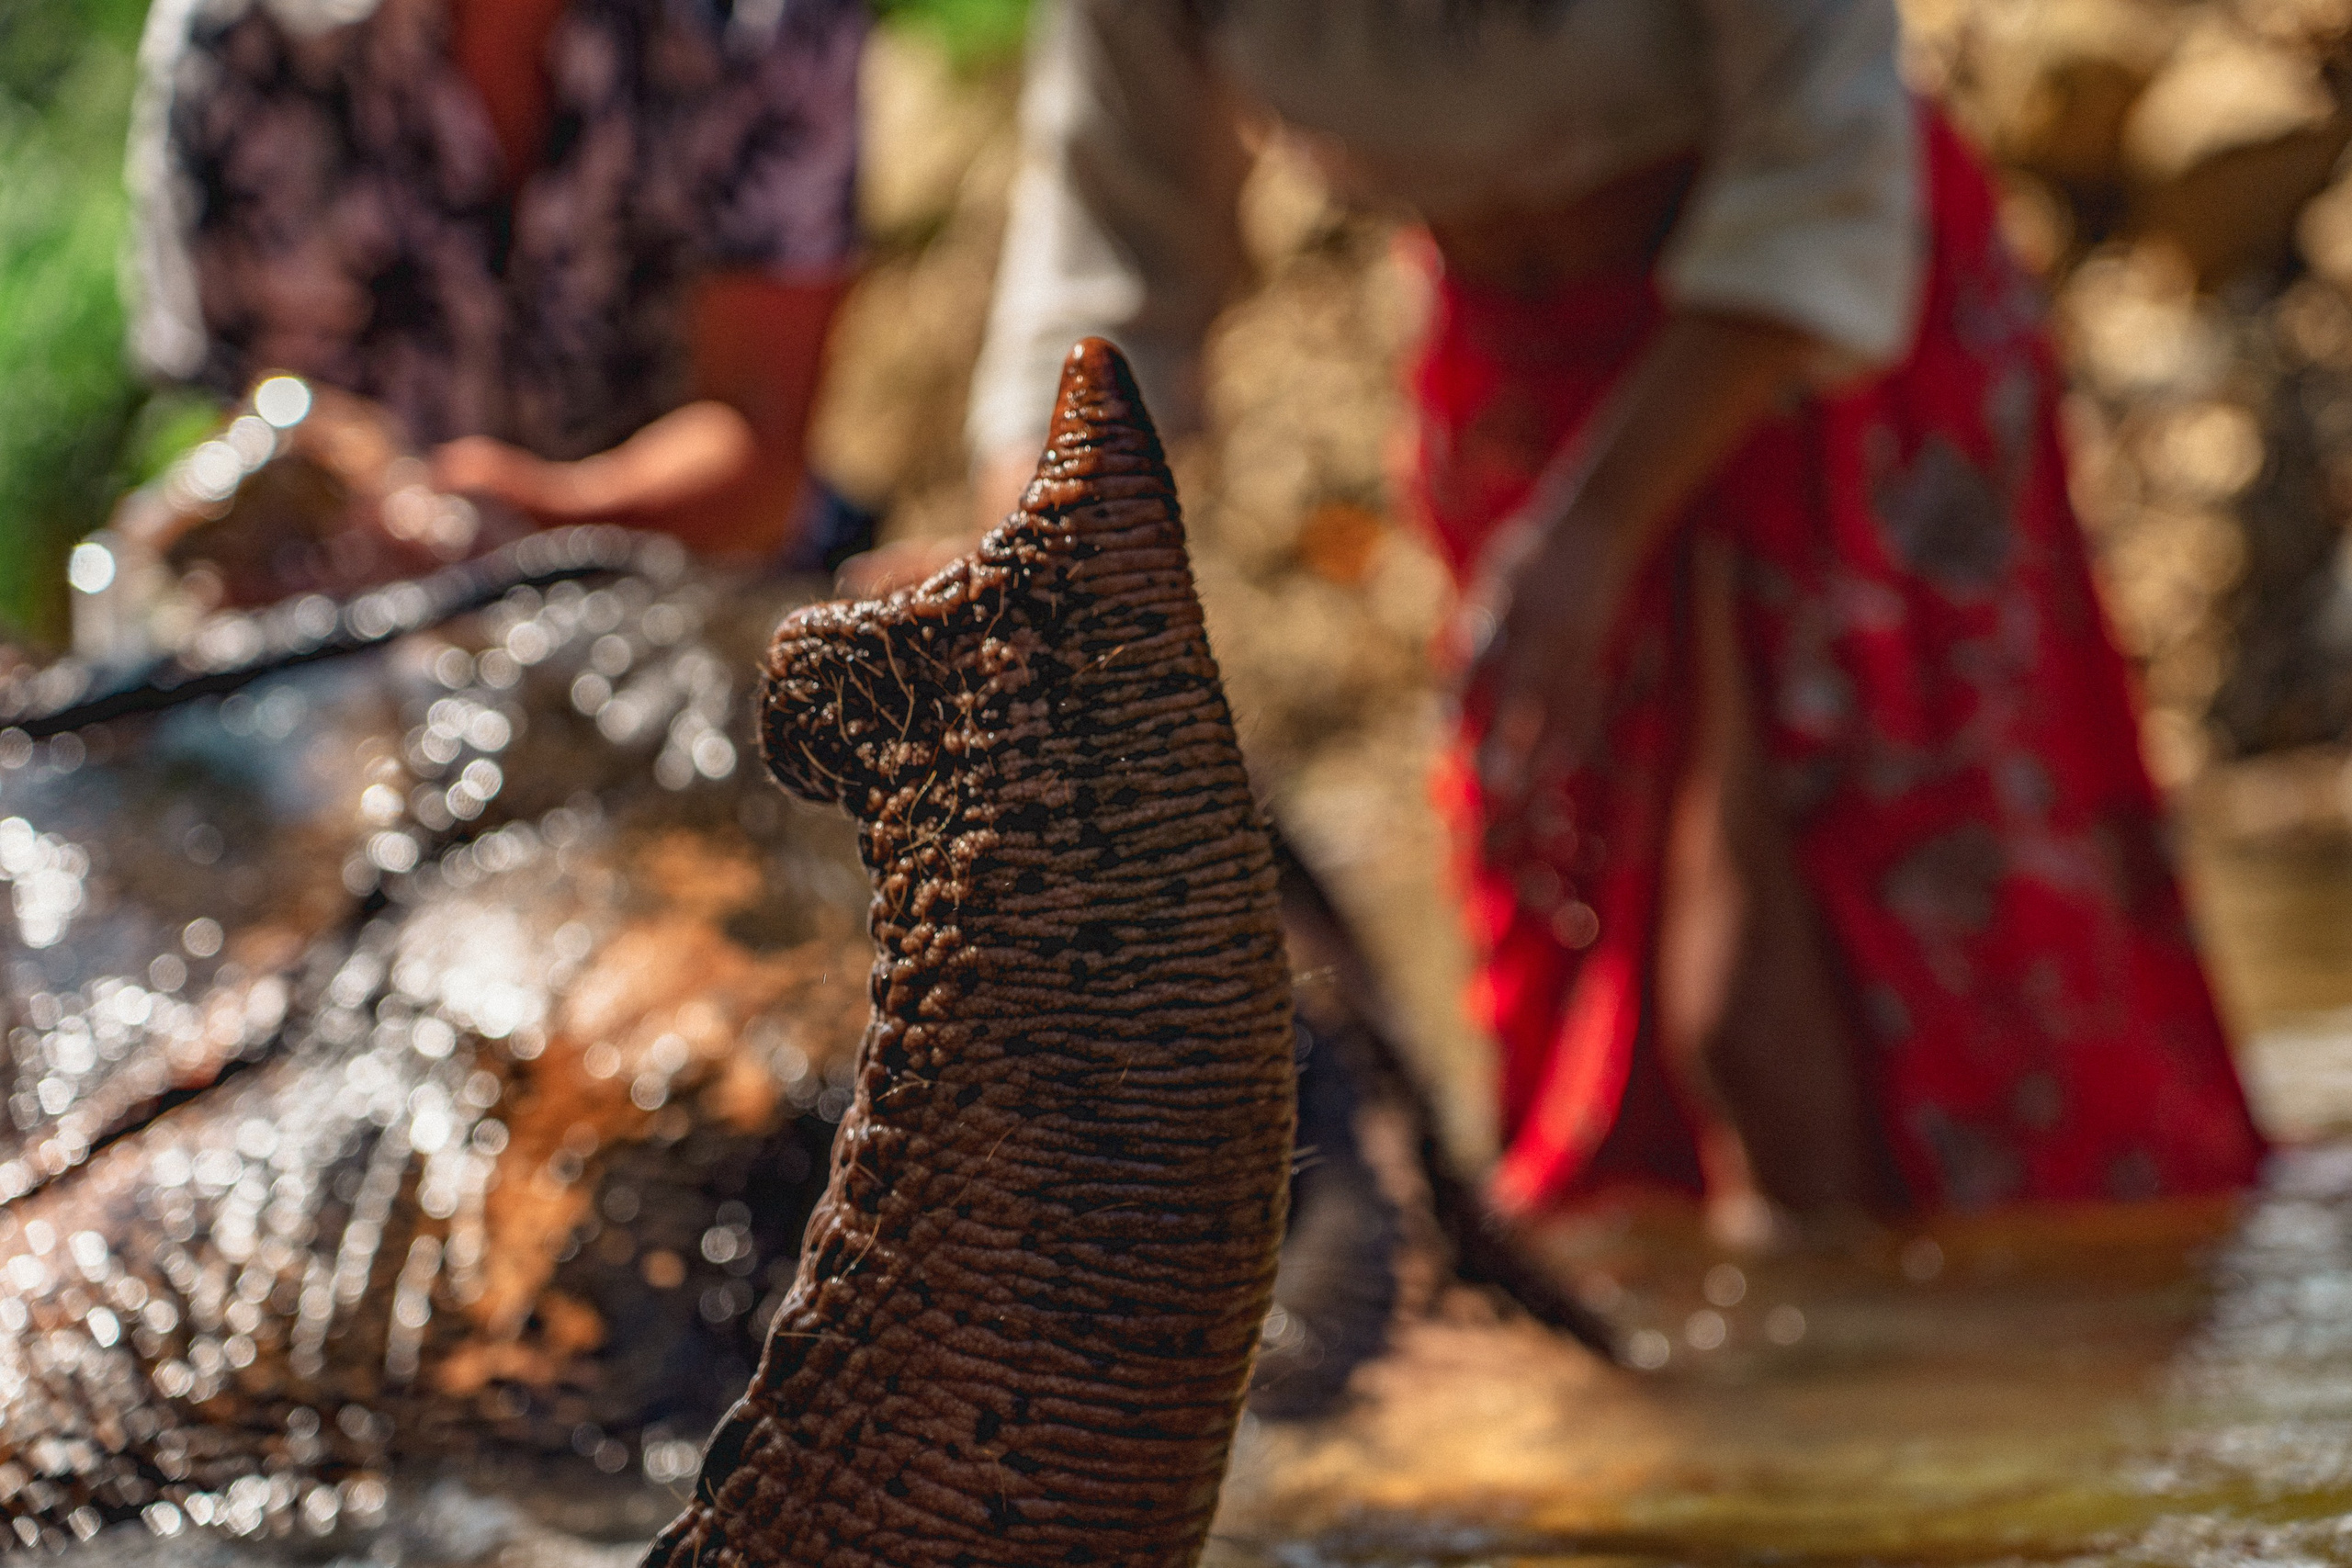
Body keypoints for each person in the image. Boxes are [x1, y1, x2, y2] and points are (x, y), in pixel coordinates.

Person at [956, 0, 2267, 1240]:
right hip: (1523, 375)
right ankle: (1733, 1394)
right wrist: (1022, 581)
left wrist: (1593, 532)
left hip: (1816, 338)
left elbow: (1827, 151)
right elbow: (1105, 275)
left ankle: (1949, 1390)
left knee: (1795, 1006)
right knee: (1609, 1073)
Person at [126, 0, 866, 569]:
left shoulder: (764, 24)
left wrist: (543, 519)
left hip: (707, 605)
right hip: (366, 665)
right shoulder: (237, 40)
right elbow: (240, 428)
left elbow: (760, 448)